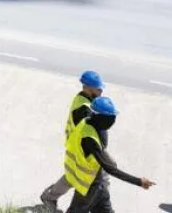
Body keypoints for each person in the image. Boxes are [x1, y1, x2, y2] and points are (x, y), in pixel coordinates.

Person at [61, 96, 154, 213]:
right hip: (87, 187)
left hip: (98, 183)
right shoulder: (90, 139)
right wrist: (139, 181)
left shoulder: (86, 121)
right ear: (101, 118)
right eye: (110, 118)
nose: (112, 121)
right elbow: (110, 169)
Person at [40, 70, 106, 211]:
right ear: (88, 88)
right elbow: (86, 131)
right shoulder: (84, 108)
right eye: (98, 89)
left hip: (77, 147)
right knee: (83, 179)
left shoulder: (83, 99)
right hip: (81, 150)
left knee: (74, 177)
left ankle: (50, 197)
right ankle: (50, 197)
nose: (101, 92)